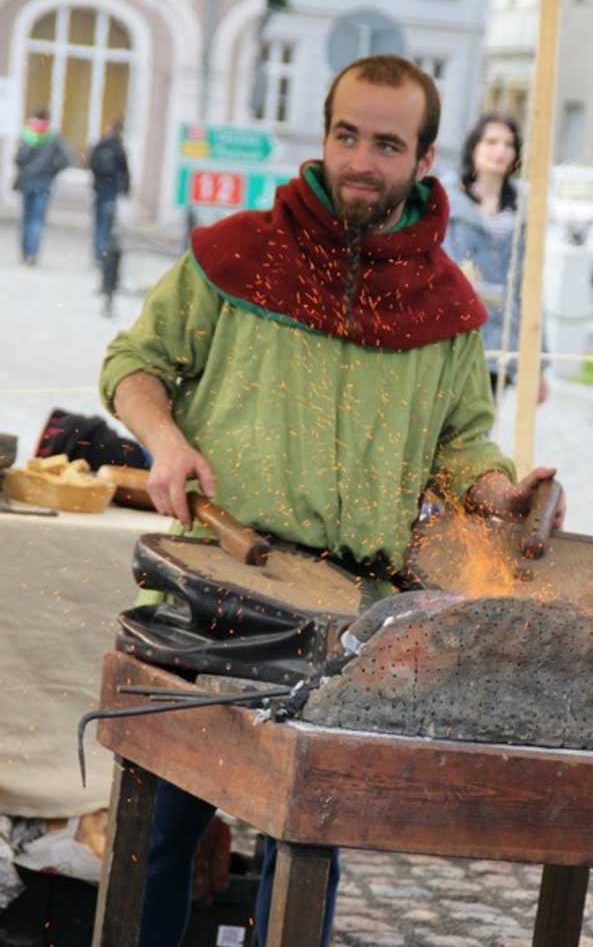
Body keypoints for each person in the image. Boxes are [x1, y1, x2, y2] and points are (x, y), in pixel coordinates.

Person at [99, 54, 565, 947]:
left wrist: (506, 492)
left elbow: (464, 443)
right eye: (346, 135)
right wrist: (165, 439)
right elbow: (134, 366)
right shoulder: (237, 255)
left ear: (426, 161)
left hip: (354, 613)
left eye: (387, 144)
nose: (361, 160)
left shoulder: (447, 307)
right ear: (322, 135)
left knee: (308, 843)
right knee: (162, 836)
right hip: (216, 591)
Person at [442, 111, 548, 403]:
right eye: (491, 142)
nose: (500, 151)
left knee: (479, 436)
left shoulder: (522, 214)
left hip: (499, 343)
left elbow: (531, 291)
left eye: (508, 144)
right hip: (452, 341)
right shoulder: (447, 204)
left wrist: (539, 364)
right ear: (474, 147)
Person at [13, 106, 70, 265]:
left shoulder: (27, 135)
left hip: (28, 181)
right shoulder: (52, 137)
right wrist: (51, 171)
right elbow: (65, 160)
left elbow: (18, 159)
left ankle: (25, 253)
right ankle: (32, 253)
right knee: (37, 220)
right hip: (44, 182)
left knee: (26, 218)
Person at [88, 116, 130, 267]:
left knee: (99, 221)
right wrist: (125, 188)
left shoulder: (101, 143)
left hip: (100, 187)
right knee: (107, 222)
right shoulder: (118, 146)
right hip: (111, 188)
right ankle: (103, 253)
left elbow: (91, 163)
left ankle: (98, 252)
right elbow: (124, 169)